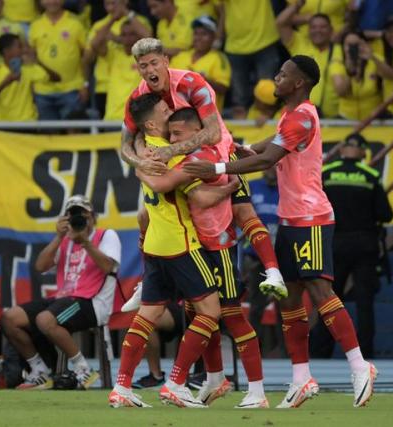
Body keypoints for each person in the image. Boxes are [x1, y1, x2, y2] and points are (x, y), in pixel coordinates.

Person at [183, 55, 378, 408]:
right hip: (291, 220)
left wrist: (215, 165)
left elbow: (265, 160)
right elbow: (265, 148)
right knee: (289, 300)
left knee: (320, 292)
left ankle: (359, 365)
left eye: (283, 74)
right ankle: (302, 378)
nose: (276, 77)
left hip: (312, 218)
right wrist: (243, 148)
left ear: (299, 82)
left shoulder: (302, 116)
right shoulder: (290, 115)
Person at [120, 37, 286, 298]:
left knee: (242, 211)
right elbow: (125, 144)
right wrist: (141, 162)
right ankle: (150, 282)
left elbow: (211, 133)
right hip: (180, 165)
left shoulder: (191, 83)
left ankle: (273, 271)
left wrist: (169, 151)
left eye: (154, 63)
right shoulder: (139, 96)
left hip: (217, 156)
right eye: (143, 66)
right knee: (148, 217)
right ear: (137, 68)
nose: (150, 70)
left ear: (166, 60)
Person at [135, 105, 268, 408]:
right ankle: (213, 379)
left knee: (230, 317)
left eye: (179, 134)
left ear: (199, 132)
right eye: (170, 135)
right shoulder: (183, 157)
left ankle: (256, 391)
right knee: (198, 317)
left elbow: (238, 208)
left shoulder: (224, 156)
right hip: (193, 249)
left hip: (219, 248)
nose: (174, 140)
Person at [109, 94, 223, 409]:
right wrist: (228, 186)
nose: (170, 110)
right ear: (150, 122)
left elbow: (144, 185)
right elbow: (191, 194)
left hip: (154, 244)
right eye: (164, 109)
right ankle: (175, 382)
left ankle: (121, 388)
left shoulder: (142, 149)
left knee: (147, 315)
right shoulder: (166, 153)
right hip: (180, 242)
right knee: (211, 312)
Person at [1, 195, 120, 390]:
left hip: (92, 302)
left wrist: (86, 243)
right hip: (63, 299)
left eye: (82, 213)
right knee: (9, 318)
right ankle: (39, 370)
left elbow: (108, 267)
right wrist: (58, 237)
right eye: (72, 214)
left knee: (45, 320)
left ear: (93, 216)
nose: (78, 217)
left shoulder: (106, 235)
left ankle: (83, 369)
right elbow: (40, 266)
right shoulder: (65, 240)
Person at [311, 133, 393, 359]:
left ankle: (321, 351)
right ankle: (365, 353)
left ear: (343, 149)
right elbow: (386, 214)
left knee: (328, 298)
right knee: (365, 302)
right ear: (363, 152)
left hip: (333, 243)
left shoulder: (326, 173)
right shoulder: (371, 174)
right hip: (364, 244)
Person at [214, 0, 282, 119]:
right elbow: (222, 10)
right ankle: (241, 134)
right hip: (235, 45)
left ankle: (269, 123)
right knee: (239, 101)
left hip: (265, 39)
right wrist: (219, 37)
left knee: (268, 93)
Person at [242, 167, 283, 356]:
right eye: (267, 166)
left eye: (274, 166)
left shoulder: (286, 189)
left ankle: (286, 351)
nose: (270, 170)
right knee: (257, 306)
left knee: (286, 305)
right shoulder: (253, 187)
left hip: (283, 255)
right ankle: (252, 350)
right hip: (256, 255)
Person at [86, 0, 151, 117]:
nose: (127, 38)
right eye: (124, 35)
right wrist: (112, 19)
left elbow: (148, 36)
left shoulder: (143, 55)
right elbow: (94, 45)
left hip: (135, 117)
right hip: (112, 112)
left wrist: (125, 12)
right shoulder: (115, 53)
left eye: (132, 34)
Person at [28, 0, 88, 120]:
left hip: (71, 88)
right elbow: (31, 58)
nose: (52, 2)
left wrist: (85, 84)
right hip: (42, 90)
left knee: (73, 133)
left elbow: (86, 56)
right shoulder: (35, 25)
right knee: (48, 135)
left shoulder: (76, 23)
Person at [276, 7, 340, 118]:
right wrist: (298, 5)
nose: (318, 30)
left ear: (331, 30)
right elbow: (281, 23)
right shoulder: (300, 44)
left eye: (323, 27)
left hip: (331, 119)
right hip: (299, 115)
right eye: (313, 27)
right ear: (308, 29)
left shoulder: (340, 49)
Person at [0, 33, 53, 121]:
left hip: (27, 122)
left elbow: (55, 78)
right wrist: (5, 83)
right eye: (19, 47)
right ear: (7, 51)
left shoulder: (28, 67)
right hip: (0, 124)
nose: (23, 50)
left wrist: (38, 62)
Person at [169, 15, 231, 113]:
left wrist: (200, 79)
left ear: (213, 37)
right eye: (196, 33)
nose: (198, 38)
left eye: (204, 34)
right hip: (179, 114)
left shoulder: (218, 58)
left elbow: (223, 88)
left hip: (207, 116)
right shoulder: (181, 56)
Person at [330, 29, 389, 121]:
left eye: (356, 44)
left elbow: (390, 77)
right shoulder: (338, 64)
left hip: (374, 117)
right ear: (343, 47)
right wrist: (350, 73)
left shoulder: (375, 60)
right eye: (348, 45)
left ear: (364, 44)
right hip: (347, 117)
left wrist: (372, 57)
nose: (352, 48)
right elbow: (341, 92)